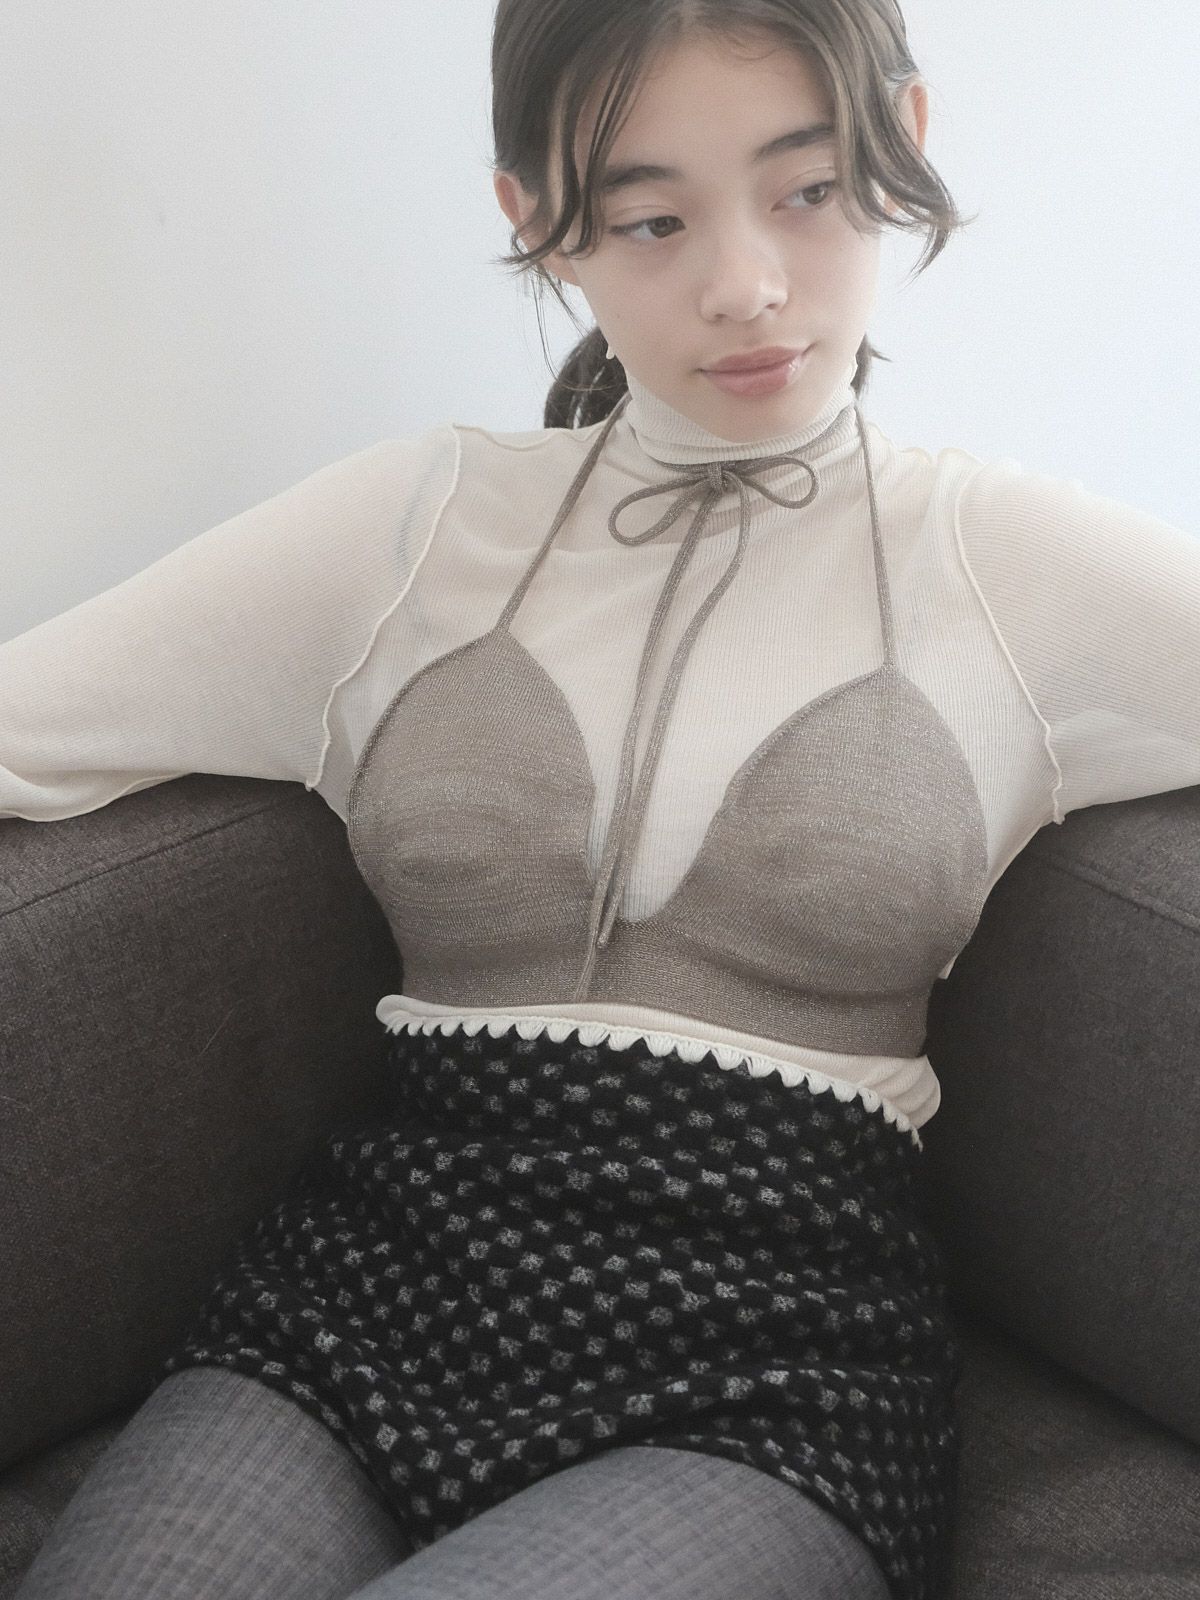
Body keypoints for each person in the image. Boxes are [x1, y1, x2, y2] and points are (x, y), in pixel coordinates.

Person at [6, 2, 1199, 1598]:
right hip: (366, 1294)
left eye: (808, 189)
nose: (745, 284)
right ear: (541, 221)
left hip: (765, 1374)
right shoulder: (418, 525)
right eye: (651, 220)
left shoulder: (1005, 561)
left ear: (902, 136)